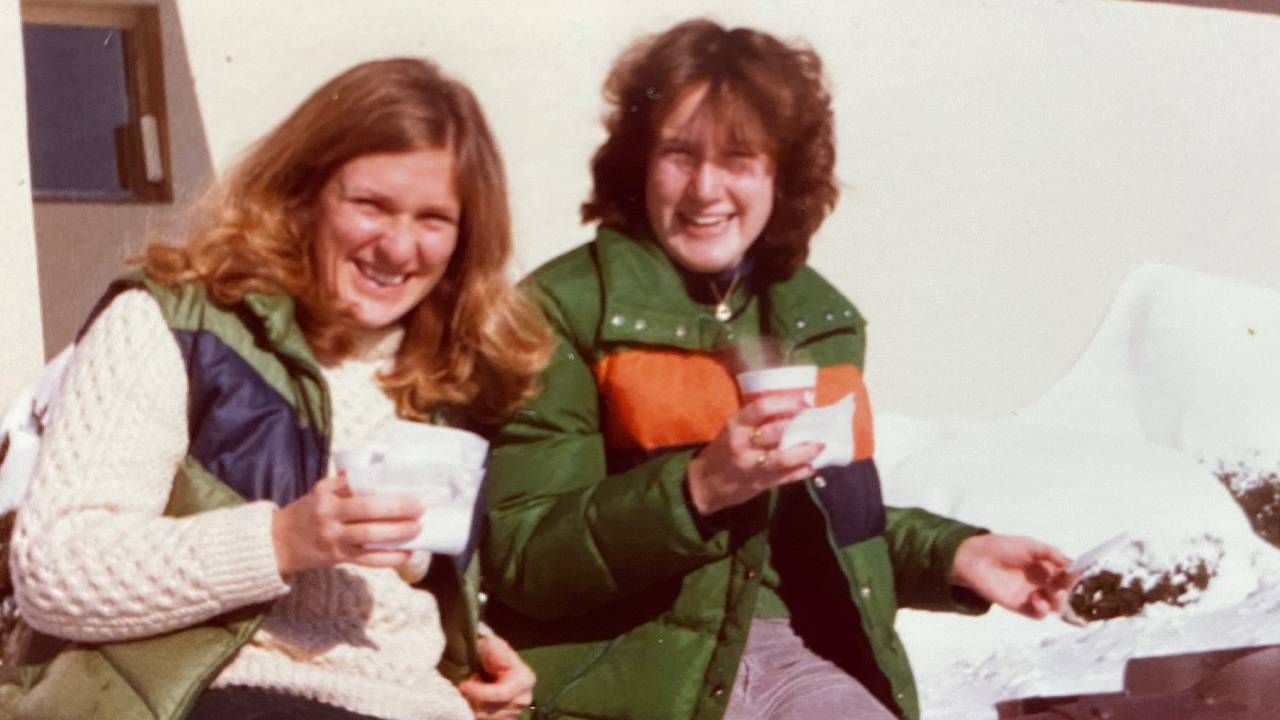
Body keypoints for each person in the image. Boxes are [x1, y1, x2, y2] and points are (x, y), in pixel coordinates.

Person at [480, 19, 1072, 720]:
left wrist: (956, 556)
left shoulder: (820, 320)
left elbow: (833, 520)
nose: (706, 188)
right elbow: (524, 560)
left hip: (792, 657)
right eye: (678, 153)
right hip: (624, 670)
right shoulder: (560, 311)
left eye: (738, 157)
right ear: (639, 161)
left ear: (781, 173)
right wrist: (697, 489)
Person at [3, 58, 549, 720]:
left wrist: (474, 652)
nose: (400, 247)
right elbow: (56, 570)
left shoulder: (441, 372)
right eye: (371, 205)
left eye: (433, 219)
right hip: (222, 695)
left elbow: (369, 597)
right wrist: (282, 540)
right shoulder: (175, 323)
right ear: (303, 194)